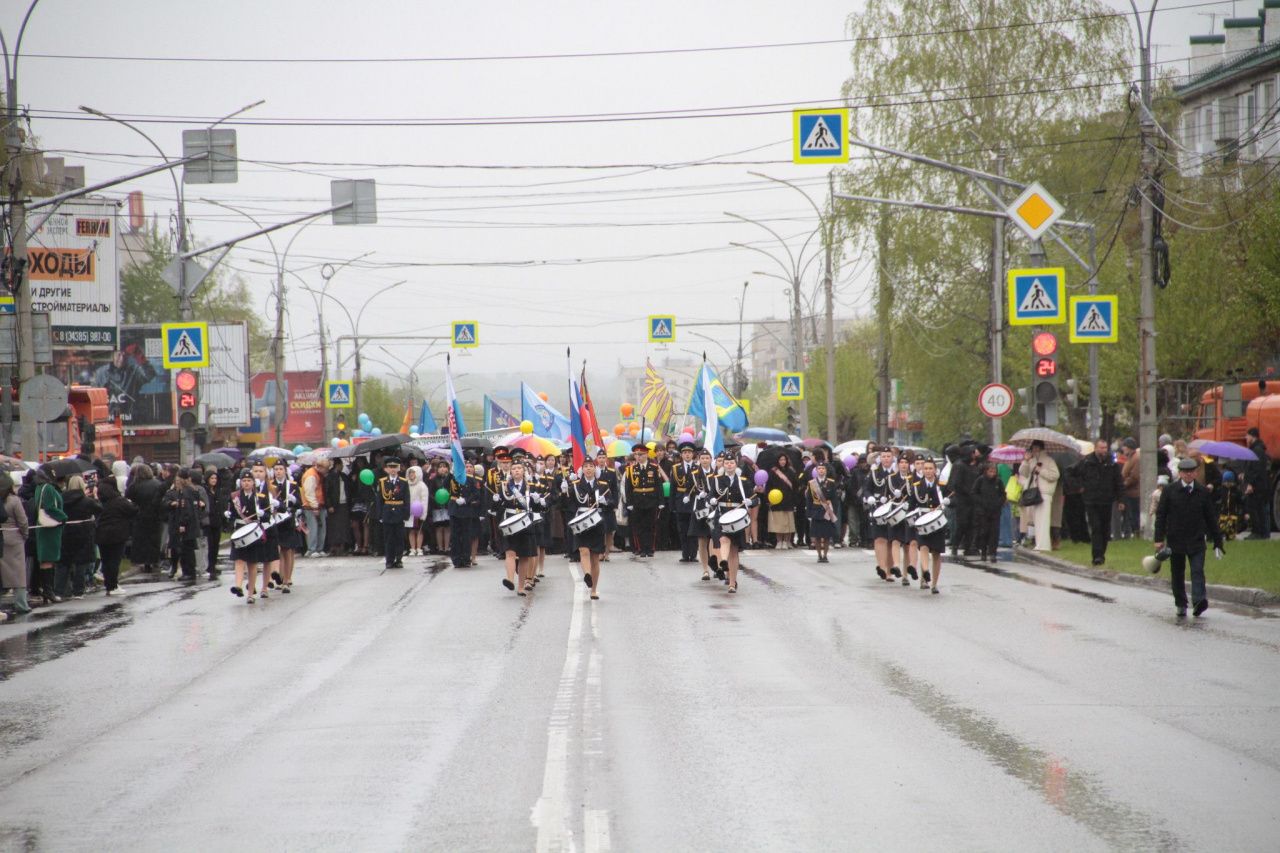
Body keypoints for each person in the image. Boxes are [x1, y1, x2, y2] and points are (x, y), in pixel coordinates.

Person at [1153, 457, 1224, 618]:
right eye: (1185, 472)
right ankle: (1180, 603)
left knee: (1197, 570)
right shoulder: (1170, 491)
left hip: (1197, 538)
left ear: (1196, 473)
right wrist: (1158, 539)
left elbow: (1211, 517)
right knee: (1177, 573)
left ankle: (1199, 601)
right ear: (1180, 473)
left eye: (1191, 472)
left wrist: (1218, 540)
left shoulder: (1202, 491)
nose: (1188, 475)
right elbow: (1161, 516)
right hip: (1175, 539)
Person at [1071, 438, 1127, 565]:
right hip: (1091, 500)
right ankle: (1097, 556)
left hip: (1107, 500)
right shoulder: (1086, 462)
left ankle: (1102, 553)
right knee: (1096, 527)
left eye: (1105, 448)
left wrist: (1121, 499)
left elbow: (1119, 482)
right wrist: (1079, 486)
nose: (1103, 450)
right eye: (1101, 448)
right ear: (1095, 448)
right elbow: (1071, 473)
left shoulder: (1112, 464)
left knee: (1105, 529)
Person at [710, 454, 754, 593]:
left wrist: (750, 501)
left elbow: (755, 498)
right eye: (727, 463)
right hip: (722, 514)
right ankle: (723, 561)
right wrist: (711, 500)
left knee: (734, 551)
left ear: (736, 465)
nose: (729, 465)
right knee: (723, 539)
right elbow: (711, 495)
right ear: (724, 465)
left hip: (736, 517)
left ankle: (732, 583)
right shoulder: (717, 480)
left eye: (732, 463)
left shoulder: (743, 481)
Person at [572, 457, 612, 599]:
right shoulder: (576, 485)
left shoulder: (602, 485)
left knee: (595, 557)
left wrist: (605, 502)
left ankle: (593, 589)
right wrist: (565, 490)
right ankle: (587, 575)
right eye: (586, 466)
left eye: (591, 466)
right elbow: (569, 504)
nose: (588, 468)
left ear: (595, 469)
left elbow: (611, 501)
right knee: (583, 550)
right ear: (582, 469)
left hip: (597, 523)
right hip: (582, 522)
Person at [227, 469, 269, 602]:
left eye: (249, 481)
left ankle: (250, 593)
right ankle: (238, 586)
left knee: (252, 562)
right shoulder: (235, 497)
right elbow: (232, 514)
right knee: (239, 560)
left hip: (254, 532)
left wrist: (263, 514)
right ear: (240, 482)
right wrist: (228, 516)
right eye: (244, 481)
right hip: (240, 529)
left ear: (253, 482)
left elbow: (267, 517)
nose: (246, 483)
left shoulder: (260, 497)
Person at [57, 475, 101, 599]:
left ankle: (59, 590)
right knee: (81, 563)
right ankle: (78, 590)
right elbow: (99, 509)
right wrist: (96, 497)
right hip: (83, 533)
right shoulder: (87, 501)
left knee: (64, 563)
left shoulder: (61, 499)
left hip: (66, 533)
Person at [498, 460, 538, 594]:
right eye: (513, 468)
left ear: (523, 471)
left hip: (525, 522)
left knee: (524, 556)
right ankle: (509, 579)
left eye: (519, 468)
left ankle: (521, 587)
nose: (516, 470)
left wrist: (539, 501)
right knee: (510, 552)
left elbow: (538, 507)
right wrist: (495, 501)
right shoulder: (504, 486)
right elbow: (499, 506)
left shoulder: (530, 486)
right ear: (511, 472)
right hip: (510, 521)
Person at [31, 465, 68, 603]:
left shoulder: (39, 488)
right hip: (49, 527)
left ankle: (48, 590)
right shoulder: (48, 489)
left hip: (44, 527)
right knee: (48, 558)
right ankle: (48, 591)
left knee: (47, 559)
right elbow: (50, 507)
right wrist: (63, 516)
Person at [909, 459, 947, 593]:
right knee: (923, 547)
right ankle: (925, 572)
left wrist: (948, 501)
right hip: (922, 521)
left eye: (930, 468)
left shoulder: (941, 485)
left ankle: (934, 584)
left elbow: (950, 499)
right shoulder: (917, 486)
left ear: (935, 470)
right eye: (925, 468)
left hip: (937, 522)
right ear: (922, 470)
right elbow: (911, 505)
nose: (928, 471)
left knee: (936, 552)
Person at [94, 478, 136, 596]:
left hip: (102, 534)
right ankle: (113, 585)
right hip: (117, 534)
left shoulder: (100, 501)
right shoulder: (119, 501)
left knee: (106, 560)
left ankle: (109, 585)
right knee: (114, 561)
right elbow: (133, 510)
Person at [621, 443, 664, 557]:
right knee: (638, 527)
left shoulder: (654, 468)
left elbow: (658, 485)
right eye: (637, 455)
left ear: (646, 455)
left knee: (650, 526)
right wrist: (629, 502)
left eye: (641, 454)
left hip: (651, 500)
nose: (639, 457)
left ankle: (650, 548)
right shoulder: (630, 469)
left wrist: (661, 501)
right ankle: (640, 548)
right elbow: (628, 488)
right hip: (637, 501)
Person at [1017, 441, 1060, 552]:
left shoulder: (1049, 460)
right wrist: (1026, 461)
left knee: (1043, 520)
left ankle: (1044, 545)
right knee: (1036, 521)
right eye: (1033, 449)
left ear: (1041, 449)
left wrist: (1041, 471)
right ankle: (1039, 543)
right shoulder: (1032, 461)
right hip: (1034, 493)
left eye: (1036, 448)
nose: (1034, 451)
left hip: (1045, 492)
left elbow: (1055, 475)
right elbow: (1023, 473)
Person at [268, 461, 302, 592]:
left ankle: (287, 579)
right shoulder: (270, 485)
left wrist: (294, 500)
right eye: (276, 469)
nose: (278, 471)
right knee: (279, 550)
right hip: (276, 521)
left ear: (285, 470)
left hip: (288, 521)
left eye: (280, 469)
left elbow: (299, 503)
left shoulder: (292, 485)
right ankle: (280, 578)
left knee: (288, 550)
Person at [163, 469, 203, 581]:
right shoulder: (193, 490)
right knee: (189, 549)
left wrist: (182, 524)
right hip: (193, 524)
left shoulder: (185, 492)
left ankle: (188, 572)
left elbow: (186, 510)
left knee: (186, 550)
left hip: (188, 525)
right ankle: (190, 571)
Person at [125, 462, 165, 573]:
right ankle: (155, 561)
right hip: (155, 516)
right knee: (154, 539)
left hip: (140, 515)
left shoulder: (135, 485)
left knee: (142, 540)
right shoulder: (157, 484)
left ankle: (144, 561)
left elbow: (128, 497)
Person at [373, 458, 410, 569]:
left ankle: (398, 559)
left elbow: (407, 499)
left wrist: (406, 514)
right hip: (387, 512)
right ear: (387, 469)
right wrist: (379, 515)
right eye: (391, 467)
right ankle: (389, 560)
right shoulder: (382, 481)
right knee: (388, 538)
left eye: (395, 467)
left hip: (399, 511)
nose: (393, 470)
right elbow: (379, 500)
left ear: (398, 468)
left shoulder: (403, 482)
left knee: (399, 537)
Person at [0, 476, 29, 613]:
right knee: (18, 573)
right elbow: (23, 521)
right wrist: (25, 535)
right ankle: (21, 604)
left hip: (2, 538)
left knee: (2, 574)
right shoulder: (14, 501)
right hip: (15, 538)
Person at [448, 460, 483, 568]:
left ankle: (466, 558)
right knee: (455, 536)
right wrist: (451, 472)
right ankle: (456, 559)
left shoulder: (471, 480)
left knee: (466, 536)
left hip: (466, 511)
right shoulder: (452, 478)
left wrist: (466, 500)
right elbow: (444, 487)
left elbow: (476, 494)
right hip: (454, 510)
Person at [971, 461, 1006, 563]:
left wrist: (999, 503)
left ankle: (993, 552)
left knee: (994, 533)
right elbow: (974, 493)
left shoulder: (998, 482)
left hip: (995, 512)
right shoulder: (980, 480)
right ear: (986, 471)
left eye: (994, 471)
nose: (992, 474)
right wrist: (981, 502)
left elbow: (1003, 495)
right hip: (983, 512)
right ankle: (984, 552)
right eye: (990, 471)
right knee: (984, 532)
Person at [806, 462, 840, 563]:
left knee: (826, 536)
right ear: (816, 470)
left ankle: (825, 555)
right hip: (816, 511)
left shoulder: (831, 482)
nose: (821, 470)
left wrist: (834, 511)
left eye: (823, 468)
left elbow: (834, 498)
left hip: (827, 511)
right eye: (819, 468)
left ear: (826, 470)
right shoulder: (812, 483)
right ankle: (819, 555)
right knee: (817, 536)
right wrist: (809, 513)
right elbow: (809, 499)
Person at [670, 441, 698, 563]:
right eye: (685, 453)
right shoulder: (676, 468)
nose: (687, 455)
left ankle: (693, 554)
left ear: (693, 454)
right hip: (680, 500)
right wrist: (672, 505)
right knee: (682, 529)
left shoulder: (698, 468)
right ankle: (685, 554)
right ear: (681, 455)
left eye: (689, 452)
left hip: (694, 501)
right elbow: (673, 488)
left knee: (694, 528)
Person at [766, 455, 799, 549]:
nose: (783, 461)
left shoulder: (791, 471)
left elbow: (796, 485)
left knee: (788, 522)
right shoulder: (773, 472)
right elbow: (769, 486)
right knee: (778, 522)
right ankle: (779, 541)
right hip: (777, 500)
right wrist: (769, 499)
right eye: (781, 459)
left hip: (789, 500)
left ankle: (786, 541)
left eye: (784, 459)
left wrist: (795, 498)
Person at [1243, 427, 1270, 539]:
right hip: (1258, 485)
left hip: (1257, 486)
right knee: (1259, 509)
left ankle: (1257, 532)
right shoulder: (1256, 449)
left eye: (1247, 435)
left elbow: (1256, 469)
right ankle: (1262, 533)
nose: (1246, 437)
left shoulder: (1257, 450)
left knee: (1255, 508)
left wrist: (1250, 484)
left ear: (1253, 436)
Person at [301, 458, 329, 557]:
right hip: (311, 506)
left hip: (318, 505)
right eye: (326, 468)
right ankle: (312, 549)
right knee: (313, 528)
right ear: (320, 467)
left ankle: (319, 548)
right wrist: (315, 507)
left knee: (321, 528)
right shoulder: (311, 475)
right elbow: (309, 493)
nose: (327, 471)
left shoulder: (317, 474)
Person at [405, 464, 429, 557]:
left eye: (413, 473)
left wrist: (423, 513)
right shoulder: (406, 484)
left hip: (418, 511)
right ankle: (412, 548)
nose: (411, 474)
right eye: (410, 472)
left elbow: (424, 500)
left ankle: (419, 548)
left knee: (419, 530)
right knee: (411, 530)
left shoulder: (422, 485)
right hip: (409, 511)